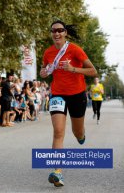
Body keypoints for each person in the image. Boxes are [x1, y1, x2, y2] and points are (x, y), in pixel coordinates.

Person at [40, 20, 97, 187]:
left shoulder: (75, 50)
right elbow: (45, 70)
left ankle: (81, 134)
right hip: (58, 94)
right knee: (58, 132)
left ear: (65, 33)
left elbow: (93, 71)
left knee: (77, 132)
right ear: (51, 33)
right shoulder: (48, 52)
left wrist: (73, 69)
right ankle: (57, 172)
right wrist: (43, 73)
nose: (56, 33)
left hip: (77, 95)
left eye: (60, 30)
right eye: (53, 31)